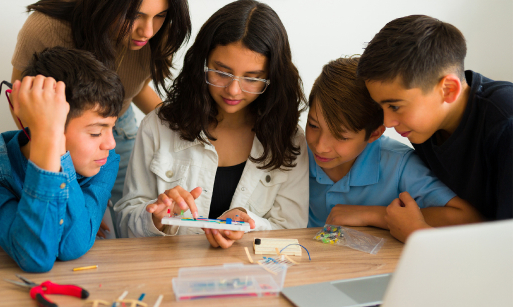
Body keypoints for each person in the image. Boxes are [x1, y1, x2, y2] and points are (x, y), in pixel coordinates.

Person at [114, 0, 309, 248]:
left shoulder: (289, 139)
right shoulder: (159, 126)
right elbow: (125, 222)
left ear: (272, 78)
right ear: (202, 63)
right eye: (222, 72)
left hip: (249, 278)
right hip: (169, 276)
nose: (233, 90)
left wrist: (249, 225)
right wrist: (156, 217)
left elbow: (291, 236)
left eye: (252, 78)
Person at [11, 0, 192, 236]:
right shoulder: (46, 28)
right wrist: (76, 208)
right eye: (134, 15)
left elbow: (133, 86)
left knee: (131, 221)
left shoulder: (161, 34)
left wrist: (183, 126)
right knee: (66, 229)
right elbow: (22, 106)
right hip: (57, 132)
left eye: (160, 15)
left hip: (119, 119)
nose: (147, 31)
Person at [0, 47, 123, 272]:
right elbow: (35, 257)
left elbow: (72, 246)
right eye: (96, 132)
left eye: (113, 128)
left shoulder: (105, 162)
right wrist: (49, 138)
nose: (111, 144)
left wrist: (56, 151)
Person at [357, 15, 512, 241]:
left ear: (448, 90)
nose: (387, 122)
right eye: (381, 107)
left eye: (395, 106)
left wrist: (418, 234)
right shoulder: (425, 126)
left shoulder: (505, 122)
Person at [306, 56, 479, 242]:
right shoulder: (296, 153)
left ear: (374, 134)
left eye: (341, 136)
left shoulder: (399, 164)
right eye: (313, 125)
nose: (320, 146)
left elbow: (468, 218)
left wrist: (373, 215)